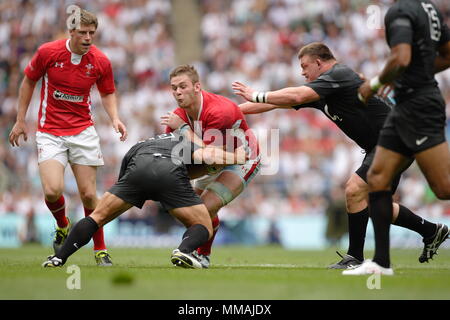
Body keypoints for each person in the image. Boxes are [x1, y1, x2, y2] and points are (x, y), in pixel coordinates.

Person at [232, 42, 448, 270]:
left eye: (305, 66)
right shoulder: (322, 90)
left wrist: (256, 94)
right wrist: (232, 110)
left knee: (354, 189)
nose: (302, 72)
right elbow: (276, 104)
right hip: (382, 146)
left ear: (318, 62)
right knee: (374, 205)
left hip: (395, 140)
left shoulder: (339, 73)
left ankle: (355, 257)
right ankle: (432, 231)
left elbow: (295, 96)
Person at [8, 8, 127, 266]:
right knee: (52, 192)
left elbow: (107, 92)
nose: (88, 38)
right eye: (83, 33)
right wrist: (20, 120)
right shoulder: (48, 53)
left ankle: (100, 250)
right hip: (50, 132)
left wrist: (114, 118)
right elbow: (28, 81)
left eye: (92, 33)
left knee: (88, 195)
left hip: (83, 131)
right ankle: (63, 225)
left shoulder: (100, 61)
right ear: (71, 31)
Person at [344, 0, 450, 275]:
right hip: (405, 106)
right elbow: (447, 55)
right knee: (377, 178)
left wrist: (375, 83)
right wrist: (412, 75)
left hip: (419, 107)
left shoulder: (400, 10)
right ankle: (381, 263)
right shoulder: (430, 10)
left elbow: (401, 58)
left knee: (443, 188)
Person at [42, 129, 247, 268]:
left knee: (97, 217)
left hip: (136, 172)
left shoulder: (142, 143)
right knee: (204, 224)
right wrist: (237, 158)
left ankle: (59, 258)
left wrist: (127, 196)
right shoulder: (187, 141)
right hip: (169, 172)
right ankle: (183, 251)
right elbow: (209, 156)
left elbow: (126, 170)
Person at [160, 64, 260, 268]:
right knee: (191, 210)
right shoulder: (179, 115)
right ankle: (202, 255)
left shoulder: (217, 111)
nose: (178, 92)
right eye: (174, 88)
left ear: (197, 87)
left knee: (203, 208)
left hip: (241, 158)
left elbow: (210, 155)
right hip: (212, 162)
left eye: (183, 86)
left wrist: (184, 129)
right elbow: (175, 151)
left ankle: (199, 255)